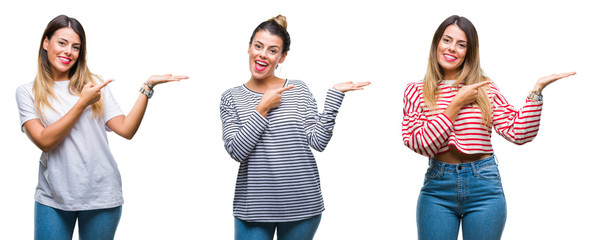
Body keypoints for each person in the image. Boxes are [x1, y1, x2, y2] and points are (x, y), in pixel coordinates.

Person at [401, 15, 575, 240]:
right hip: (437, 190)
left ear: (469, 52)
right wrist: (456, 104)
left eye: (461, 44)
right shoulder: (416, 91)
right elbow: (419, 143)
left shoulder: (484, 88)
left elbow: (519, 132)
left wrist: (537, 90)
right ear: (436, 43)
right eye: (447, 40)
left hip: (484, 187)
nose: (452, 48)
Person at [15, 15, 187, 240]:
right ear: (46, 43)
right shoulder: (27, 92)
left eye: (76, 47)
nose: (69, 51)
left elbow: (126, 129)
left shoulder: (95, 86)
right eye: (62, 43)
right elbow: (44, 141)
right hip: (53, 198)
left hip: (101, 194)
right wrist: (82, 103)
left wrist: (147, 87)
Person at [220, 15, 370, 240]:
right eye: (258, 46)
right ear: (249, 47)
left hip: (302, 204)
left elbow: (318, 142)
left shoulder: (297, 90)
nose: (263, 54)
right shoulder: (231, 97)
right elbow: (237, 151)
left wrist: (334, 97)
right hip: (254, 207)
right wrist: (262, 109)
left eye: (272, 50)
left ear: (282, 57)